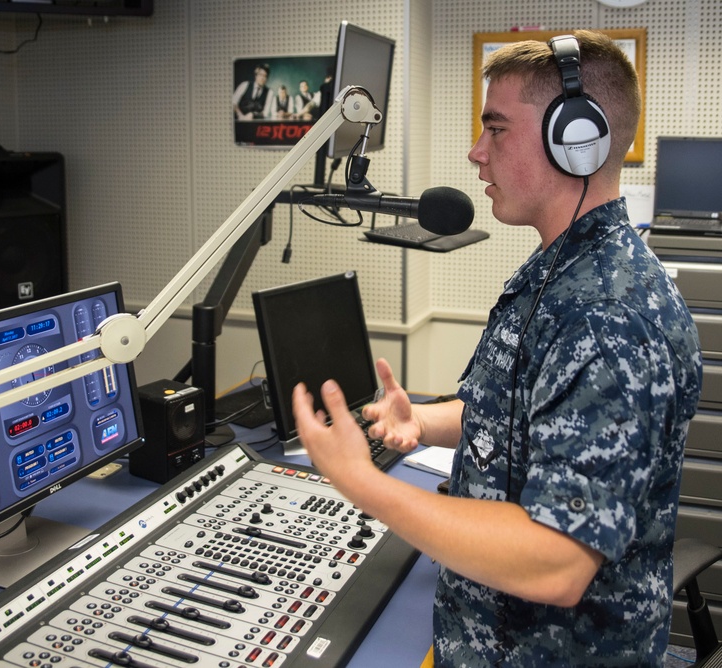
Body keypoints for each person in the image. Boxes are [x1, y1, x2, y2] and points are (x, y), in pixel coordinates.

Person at [292, 30, 702, 667]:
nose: (475, 153)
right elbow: (529, 416)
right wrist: (422, 421)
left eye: (498, 129)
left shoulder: (607, 316)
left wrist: (362, 482)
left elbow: (557, 561)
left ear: (576, 141)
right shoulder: (562, 271)